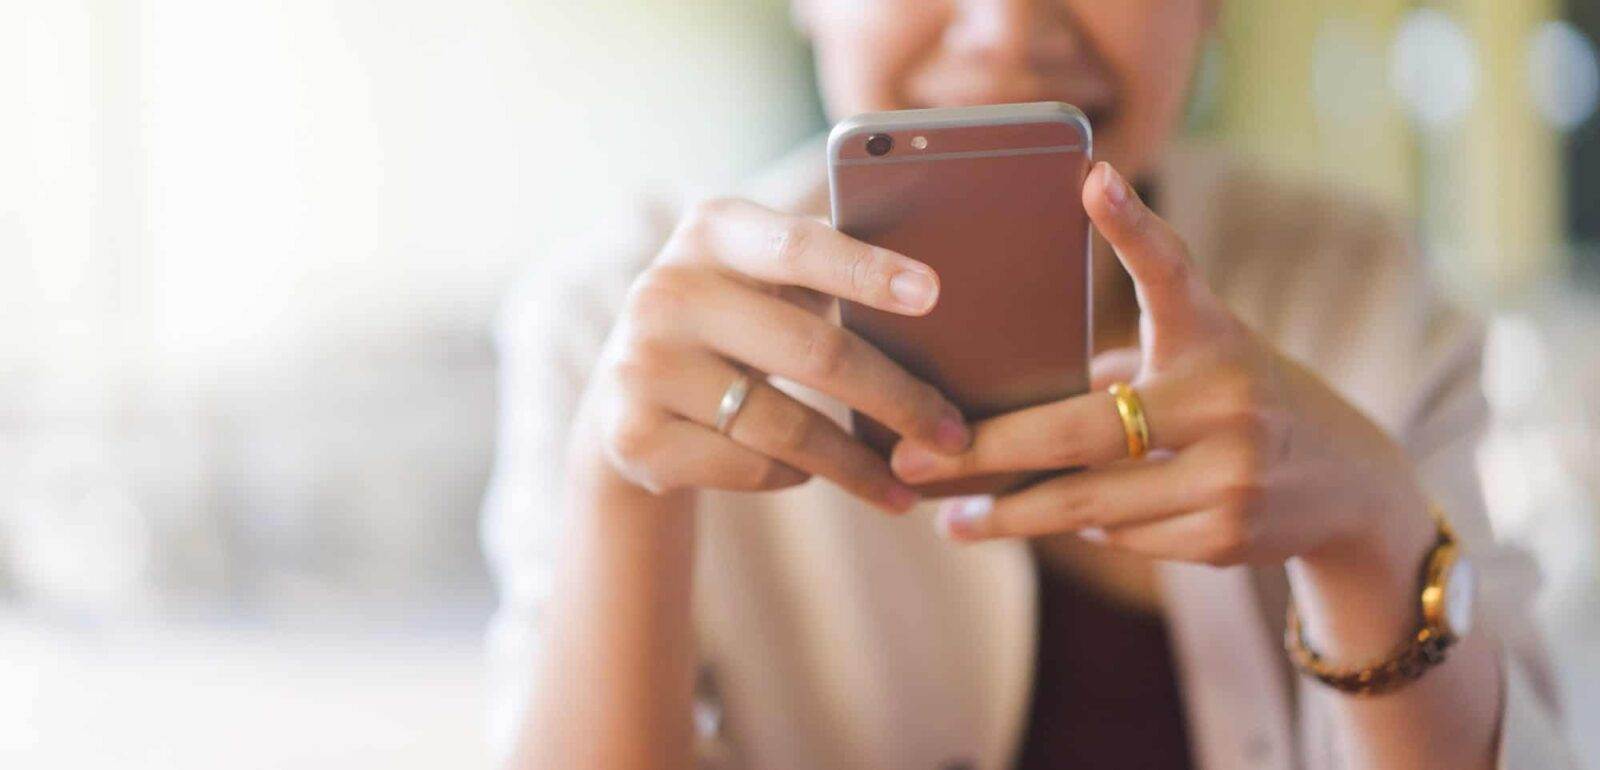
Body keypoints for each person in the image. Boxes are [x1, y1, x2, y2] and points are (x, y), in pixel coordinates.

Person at [482, 1, 1576, 768]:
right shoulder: (613, 328)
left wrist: (1375, 536)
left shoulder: (1365, 289)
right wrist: (626, 493)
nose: (1008, 25)